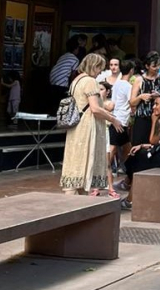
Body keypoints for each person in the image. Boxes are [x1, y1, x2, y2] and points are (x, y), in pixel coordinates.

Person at [60, 53, 125, 196]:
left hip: (76, 127)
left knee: (76, 163)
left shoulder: (76, 80)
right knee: (85, 161)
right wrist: (113, 119)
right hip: (86, 127)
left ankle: (78, 201)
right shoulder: (90, 81)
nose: (100, 73)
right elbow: (95, 108)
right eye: (99, 69)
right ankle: (72, 205)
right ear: (94, 66)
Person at [106, 59, 133, 181]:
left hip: (117, 117)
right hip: (121, 120)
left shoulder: (117, 83)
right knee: (113, 147)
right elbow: (131, 102)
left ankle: (130, 171)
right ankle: (103, 172)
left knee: (126, 147)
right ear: (131, 71)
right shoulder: (128, 86)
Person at [48, 36, 81, 111]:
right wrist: (72, 86)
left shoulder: (63, 56)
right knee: (61, 103)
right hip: (62, 83)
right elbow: (73, 74)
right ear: (76, 49)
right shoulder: (75, 59)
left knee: (54, 102)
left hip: (52, 80)